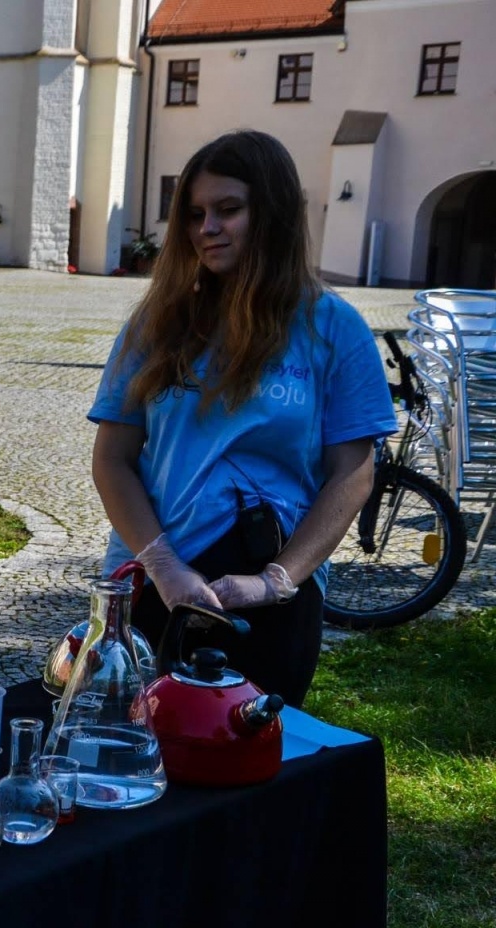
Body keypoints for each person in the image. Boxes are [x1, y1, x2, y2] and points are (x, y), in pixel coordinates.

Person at [88, 130, 397, 706]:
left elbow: (352, 474)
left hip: (272, 599)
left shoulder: (333, 329)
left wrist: (277, 579)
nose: (207, 228)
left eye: (228, 210)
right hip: (155, 580)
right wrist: (163, 566)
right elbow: (112, 459)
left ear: (273, 214)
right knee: (131, 755)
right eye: (196, 214)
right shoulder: (158, 324)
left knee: (251, 767)